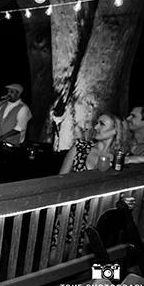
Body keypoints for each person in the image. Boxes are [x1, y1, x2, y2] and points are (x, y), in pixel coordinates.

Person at [52, 112, 131, 263]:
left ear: (116, 130)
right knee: (54, 258)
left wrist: (137, 158)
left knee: (88, 262)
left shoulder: (121, 158)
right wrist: (61, 209)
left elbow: (123, 190)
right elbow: (60, 180)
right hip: (71, 211)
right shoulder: (80, 147)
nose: (95, 127)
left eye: (102, 124)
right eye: (97, 123)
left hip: (98, 215)